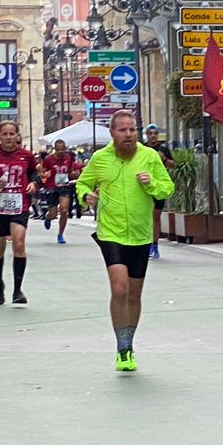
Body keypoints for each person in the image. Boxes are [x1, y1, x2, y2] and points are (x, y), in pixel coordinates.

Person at [75, 108, 176, 373]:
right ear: (113, 133)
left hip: (141, 234)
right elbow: (82, 184)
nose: (129, 135)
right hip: (111, 232)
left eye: (132, 129)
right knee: (119, 288)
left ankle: (129, 341)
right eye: (123, 130)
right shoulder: (100, 158)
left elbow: (167, 187)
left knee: (134, 294)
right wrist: (87, 196)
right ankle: (122, 348)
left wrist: (151, 183)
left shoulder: (150, 156)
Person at [0, 121, 39, 305]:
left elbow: (33, 172)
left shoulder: (26, 155)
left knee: (18, 244)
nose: (9, 137)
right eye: (5, 134)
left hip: (20, 205)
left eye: (12, 133)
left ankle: (18, 290)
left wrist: (34, 183)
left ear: (17, 135)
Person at [143, 126, 175, 261]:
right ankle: (144, 245)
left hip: (159, 188)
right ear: (146, 135)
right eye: (150, 133)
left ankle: (154, 246)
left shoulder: (163, 149)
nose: (153, 136)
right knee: (145, 218)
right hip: (144, 187)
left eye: (155, 133)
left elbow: (173, 165)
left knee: (155, 217)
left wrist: (165, 160)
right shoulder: (141, 149)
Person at [39, 139, 79, 243]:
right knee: (53, 214)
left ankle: (60, 235)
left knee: (64, 210)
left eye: (62, 149)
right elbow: (41, 173)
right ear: (54, 149)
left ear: (65, 148)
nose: (60, 152)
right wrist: (45, 175)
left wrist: (73, 174)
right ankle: (48, 217)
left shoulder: (68, 158)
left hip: (64, 187)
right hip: (51, 187)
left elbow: (70, 172)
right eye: (58, 150)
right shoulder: (48, 159)